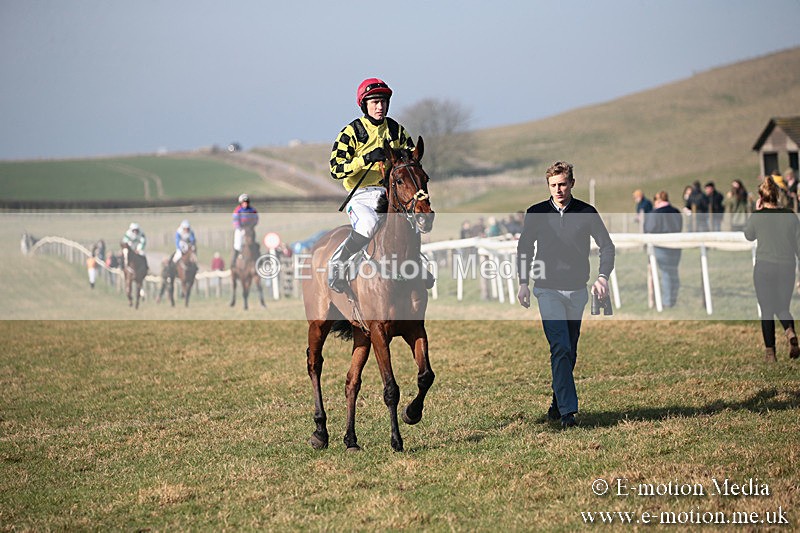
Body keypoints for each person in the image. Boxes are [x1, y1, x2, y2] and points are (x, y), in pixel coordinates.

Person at [516, 161, 615, 428]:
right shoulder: (536, 213)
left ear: (571, 183)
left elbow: (607, 247)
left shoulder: (586, 212)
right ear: (548, 186)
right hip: (546, 290)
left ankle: (557, 404)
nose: (558, 189)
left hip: (577, 292)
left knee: (569, 351)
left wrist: (602, 277)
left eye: (562, 184)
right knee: (559, 346)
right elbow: (524, 249)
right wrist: (523, 282)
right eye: (553, 185)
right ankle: (569, 412)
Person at [327, 77, 418, 293]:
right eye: (375, 102)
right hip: (359, 195)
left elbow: (412, 160)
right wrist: (364, 158)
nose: (380, 106)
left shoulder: (396, 130)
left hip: (389, 193)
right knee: (367, 225)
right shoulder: (351, 132)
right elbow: (335, 169)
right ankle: (337, 265)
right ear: (364, 105)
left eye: (383, 102)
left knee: (410, 225)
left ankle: (419, 269)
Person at [744, 176, 800, 362]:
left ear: (761, 197)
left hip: (765, 267)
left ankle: (770, 353)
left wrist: (757, 210)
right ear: (777, 196)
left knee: (767, 309)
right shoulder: (790, 216)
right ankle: (790, 330)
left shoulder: (758, 216)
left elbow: (749, 235)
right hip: (787, 266)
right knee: (782, 306)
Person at [643, 191, 683, 307]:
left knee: (665, 273)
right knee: (673, 272)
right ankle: (672, 299)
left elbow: (649, 228)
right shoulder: (676, 212)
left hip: (660, 247)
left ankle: (667, 302)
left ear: (658, 200)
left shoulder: (655, 213)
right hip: (675, 247)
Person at [232, 193, 259, 267]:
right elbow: (236, 221)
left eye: (246, 202)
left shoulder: (252, 210)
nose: (245, 204)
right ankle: (234, 261)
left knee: (255, 242)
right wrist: (240, 228)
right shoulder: (237, 210)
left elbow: (256, 218)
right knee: (237, 244)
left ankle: (258, 257)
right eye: (243, 203)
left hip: (250, 228)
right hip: (240, 228)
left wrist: (252, 226)